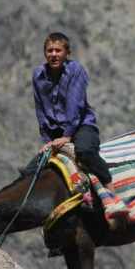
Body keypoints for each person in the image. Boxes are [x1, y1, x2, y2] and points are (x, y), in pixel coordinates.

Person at [21, 32, 112, 186]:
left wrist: (67, 136)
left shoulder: (75, 70)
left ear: (67, 53)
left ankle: (110, 188)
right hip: (55, 132)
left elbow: (75, 106)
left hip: (81, 126)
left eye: (58, 50)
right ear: (45, 53)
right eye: (50, 51)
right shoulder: (38, 75)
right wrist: (48, 141)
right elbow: (41, 111)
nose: (54, 54)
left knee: (85, 152)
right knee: (30, 172)